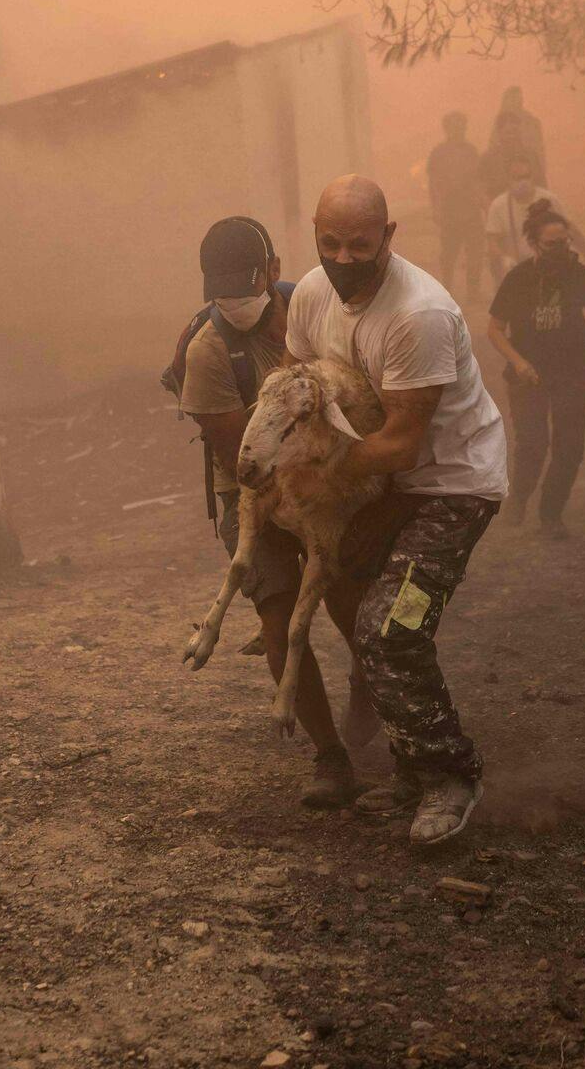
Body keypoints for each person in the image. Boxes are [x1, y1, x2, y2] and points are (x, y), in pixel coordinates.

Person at [287, 174, 508, 846]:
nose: (344, 259)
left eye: (361, 245)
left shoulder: (420, 314)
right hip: (382, 484)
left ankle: (452, 776)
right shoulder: (310, 295)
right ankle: (412, 772)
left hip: (452, 487)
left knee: (391, 628)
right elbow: (298, 392)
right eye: (331, 243)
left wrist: (316, 474)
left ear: (388, 235)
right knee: (358, 609)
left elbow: (401, 444)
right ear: (315, 235)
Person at [177, 217, 370, 808]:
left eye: (245, 288)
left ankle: (370, 694)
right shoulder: (207, 353)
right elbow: (241, 458)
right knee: (281, 614)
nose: (234, 304)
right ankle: (330, 757)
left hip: (328, 480)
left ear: (274, 272)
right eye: (222, 294)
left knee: (352, 602)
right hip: (255, 492)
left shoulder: (314, 309)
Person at [487, 203, 585, 538]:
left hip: (573, 371)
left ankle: (551, 515)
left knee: (570, 447)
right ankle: (519, 496)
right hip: (528, 374)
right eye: (551, 244)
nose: (560, 250)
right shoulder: (519, 278)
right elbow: (495, 329)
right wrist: (518, 361)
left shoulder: (579, 274)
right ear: (534, 244)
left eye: (564, 242)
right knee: (532, 444)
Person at [425, 110, 487, 302]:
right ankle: (446, 290)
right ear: (446, 128)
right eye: (454, 126)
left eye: (461, 126)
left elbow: (478, 179)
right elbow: (433, 183)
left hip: (471, 208)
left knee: (475, 251)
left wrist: (483, 203)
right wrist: (436, 208)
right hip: (449, 209)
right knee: (449, 254)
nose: (459, 129)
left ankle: (473, 292)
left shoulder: (471, 151)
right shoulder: (438, 153)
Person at [483, 155, 565, 283]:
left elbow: (569, 230)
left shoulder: (550, 200)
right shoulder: (498, 206)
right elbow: (492, 241)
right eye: (517, 178)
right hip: (516, 271)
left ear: (533, 176)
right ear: (508, 179)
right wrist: (503, 258)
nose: (523, 182)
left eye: (526, 176)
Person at [496, 85, 547, 185]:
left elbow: (540, 148)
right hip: (502, 170)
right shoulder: (499, 122)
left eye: (517, 98)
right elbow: (493, 143)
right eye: (512, 98)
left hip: (529, 166)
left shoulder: (532, 122)